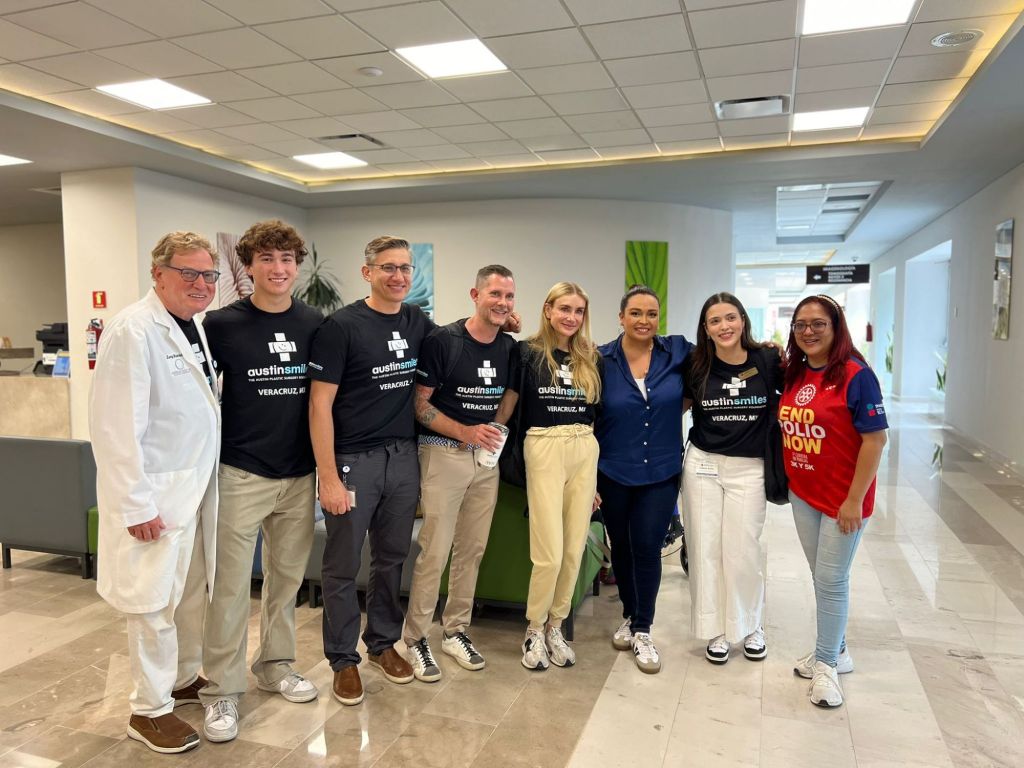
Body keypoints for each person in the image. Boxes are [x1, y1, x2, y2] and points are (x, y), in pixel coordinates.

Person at [90, 232, 220, 754]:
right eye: (188, 272)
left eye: (208, 274)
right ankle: (148, 710)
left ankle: (182, 677)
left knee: (186, 596)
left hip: (190, 491)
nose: (200, 283)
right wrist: (136, 504)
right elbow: (114, 428)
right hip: (156, 497)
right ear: (158, 274)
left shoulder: (192, 326)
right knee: (152, 605)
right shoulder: (132, 330)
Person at [199, 220, 323, 743]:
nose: (278, 268)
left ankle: (275, 665)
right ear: (248, 266)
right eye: (267, 259)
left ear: (297, 267)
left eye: (287, 259)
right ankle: (221, 690)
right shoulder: (220, 324)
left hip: (298, 473)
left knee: (286, 581)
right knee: (229, 587)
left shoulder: (315, 322)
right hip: (240, 472)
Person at [308, 236, 431, 706]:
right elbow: (319, 405)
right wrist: (328, 477)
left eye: (404, 268)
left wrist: (504, 320)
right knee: (342, 564)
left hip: (402, 458)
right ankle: (343, 660)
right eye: (387, 268)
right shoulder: (341, 327)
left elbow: (456, 344)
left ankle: (381, 644)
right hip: (352, 461)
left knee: (392, 557)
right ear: (368, 273)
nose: (398, 276)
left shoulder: (416, 320)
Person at [402, 266, 517, 681]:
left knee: (472, 549)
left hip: (485, 461)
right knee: (435, 550)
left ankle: (455, 631)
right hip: (443, 453)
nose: (502, 302)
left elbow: (509, 394)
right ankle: (415, 638)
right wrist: (465, 432)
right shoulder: (444, 341)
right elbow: (419, 405)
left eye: (508, 296)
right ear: (475, 294)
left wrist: (494, 431)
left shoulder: (508, 347)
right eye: (494, 294)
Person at [781, 294, 888, 708]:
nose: (808, 331)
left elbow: (875, 440)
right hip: (804, 492)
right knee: (821, 575)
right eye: (800, 324)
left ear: (836, 326)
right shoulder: (795, 372)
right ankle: (836, 649)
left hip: (843, 500)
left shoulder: (857, 375)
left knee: (831, 579)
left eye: (818, 324)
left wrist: (854, 500)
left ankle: (826, 665)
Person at [497, 282, 602, 670]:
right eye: (564, 309)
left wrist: (596, 481)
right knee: (549, 554)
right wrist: (490, 446)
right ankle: (534, 628)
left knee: (573, 550)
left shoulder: (591, 357)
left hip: (584, 447)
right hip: (543, 445)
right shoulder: (526, 353)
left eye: (578, 311)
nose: (571, 317)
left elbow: (599, 416)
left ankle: (556, 626)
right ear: (548, 310)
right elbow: (509, 404)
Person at [595, 285, 693, 674]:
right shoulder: (601, 359)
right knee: (621, 546)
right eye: (635, 313)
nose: (644, 320)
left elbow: (723, 355)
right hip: (613, 470)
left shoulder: (677, 352)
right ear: (621, 317)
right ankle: (629, 614)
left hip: (661, 470)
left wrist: (762, 352)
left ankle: (643, 628)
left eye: (651, 313)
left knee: (647, 546)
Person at [682, 292, 782, 665]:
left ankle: (750, 624)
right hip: (703, 465)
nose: (724, 326)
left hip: (750, 466)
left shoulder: (767, 360)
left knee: (743, 550)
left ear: (743, 320)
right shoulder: (696, 364)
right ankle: (716, 630)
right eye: (715, 321)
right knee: (705, 548)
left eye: (730, 318)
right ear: (705, 329)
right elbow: (674, 407)